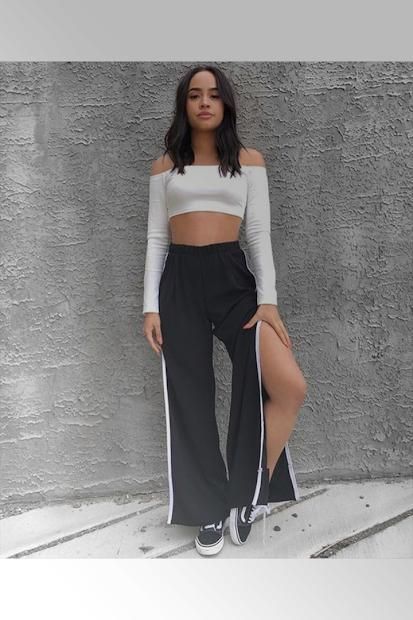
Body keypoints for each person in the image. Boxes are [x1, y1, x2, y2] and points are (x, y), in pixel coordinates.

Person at [142, 64, 307, 557]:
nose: (205, 102)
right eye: (195, 95)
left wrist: (268, 300)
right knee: (190, 397)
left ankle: (248, 493)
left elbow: (258, 235)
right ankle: (209, 507)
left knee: (289, 386)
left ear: (226, 103)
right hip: (180, 281)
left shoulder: (248, 161)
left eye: (214, 94)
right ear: (185, 104)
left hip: (232, 278)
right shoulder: (165, 166)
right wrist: (150, 307)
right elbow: (156, 239)